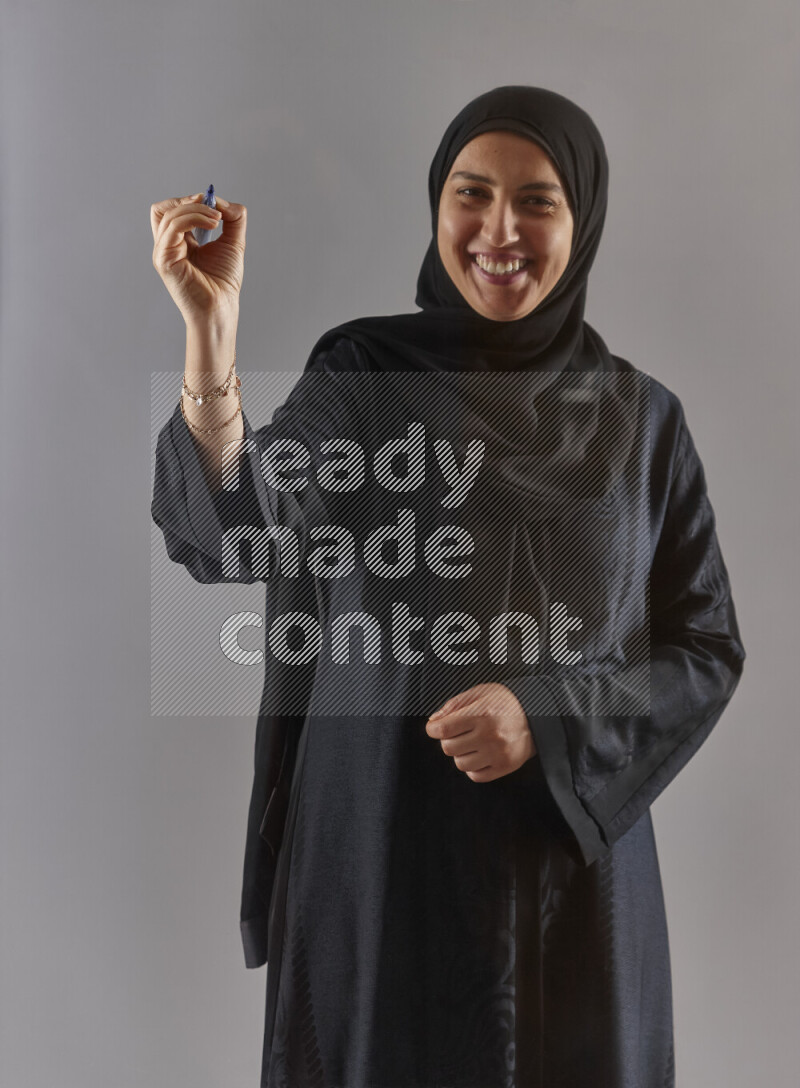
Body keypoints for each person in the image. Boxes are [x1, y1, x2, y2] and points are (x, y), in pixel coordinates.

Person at [151, 86, 745, 1088]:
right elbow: (244, 529)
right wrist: (210, 346)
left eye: (536, 199)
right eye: (471, 192)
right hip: (382, 874)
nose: (498, 229)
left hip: (569, 898)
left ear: (582, 218)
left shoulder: (642, 424)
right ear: (435, 206)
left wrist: (547, 715)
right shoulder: (362, 380)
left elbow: (702, 647)